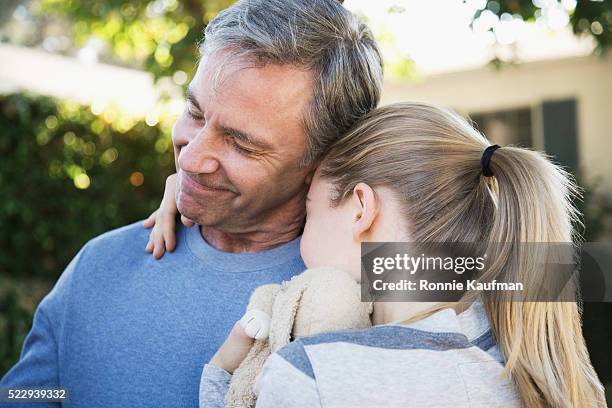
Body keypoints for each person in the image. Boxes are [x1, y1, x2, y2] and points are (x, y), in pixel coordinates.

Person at [0, 1, 383, 407]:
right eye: (195, 113)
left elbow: (458, 275)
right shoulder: (101, 263)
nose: (189, 159)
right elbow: (30, 393)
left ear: (324, 162)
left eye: (241, 143)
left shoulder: (371, 281)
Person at [148, 103, 606, 407]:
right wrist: (194, 191)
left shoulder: (312, 376)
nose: (301, 232)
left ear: (361, 208)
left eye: (308, 210)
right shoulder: (517, 332)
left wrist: (220, 382)